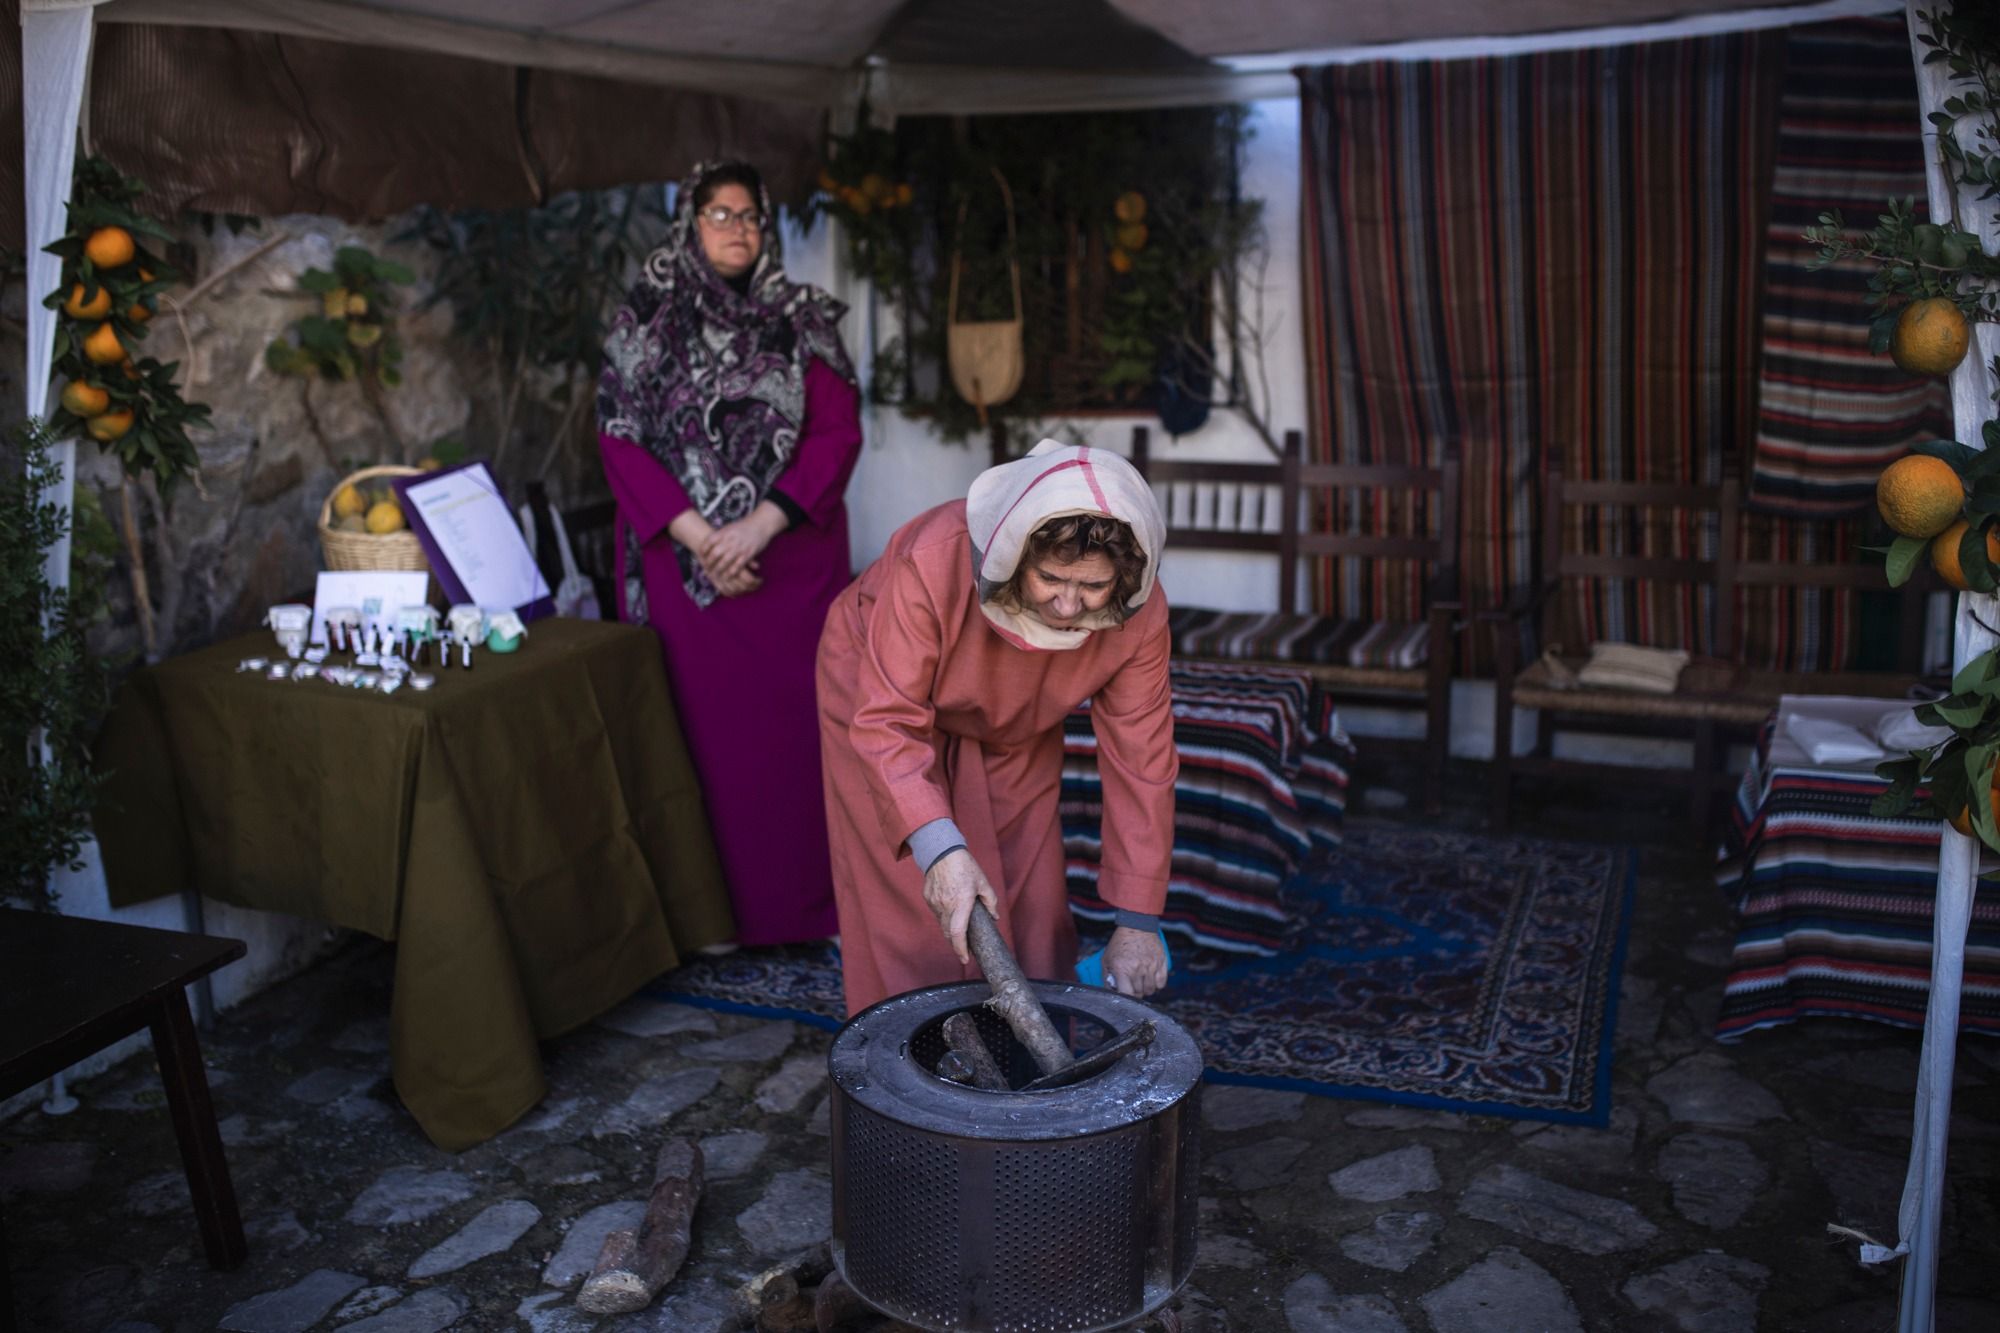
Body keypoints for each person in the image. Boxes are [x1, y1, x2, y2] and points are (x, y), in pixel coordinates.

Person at [596, 160, 862, 945]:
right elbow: (619, 437)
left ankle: (811, 908)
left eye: (749, 215)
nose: (737, 229)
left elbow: (836, 433)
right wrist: (702, 536)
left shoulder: (803, 317)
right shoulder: (647, 318)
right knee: (703, 739)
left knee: (798, 737)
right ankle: (708, 913)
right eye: (720, 213)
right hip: (688, 573)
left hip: (788, 566)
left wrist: (757, 526)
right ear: (690, 221)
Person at [816, 440, 1178, 1014]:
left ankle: (1028, 1043)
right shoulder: (931, 559)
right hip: (879, 695)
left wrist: (1138, 919)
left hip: (1018, 716)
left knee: (1026, 881)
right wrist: (939, 850)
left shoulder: (1140, 613)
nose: (1067, 607)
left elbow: (1143, 761)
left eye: (1092, 587)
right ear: (1014, 556)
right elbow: (887, 722)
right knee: (915, 894)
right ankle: (921, 1044)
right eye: (1051, 578)